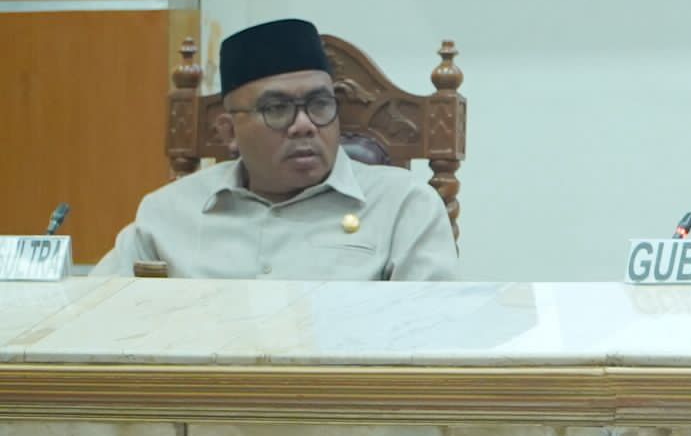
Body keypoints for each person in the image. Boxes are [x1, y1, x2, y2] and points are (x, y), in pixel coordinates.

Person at [94, 18, 458, 280]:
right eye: (277, 109)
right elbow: (94, 315)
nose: (304, 125)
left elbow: (432, 335)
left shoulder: (403, 206)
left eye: (319, 104)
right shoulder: (168, 213)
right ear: (228, 130)